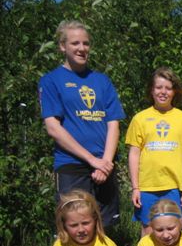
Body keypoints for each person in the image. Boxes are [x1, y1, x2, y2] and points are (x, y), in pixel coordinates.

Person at [39, 20, 125, 227]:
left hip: (104, 165)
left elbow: (113, 123)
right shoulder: (51, 81)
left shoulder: (102, 81)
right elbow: (53, 128)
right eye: (75, 43)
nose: (81, 48)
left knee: (105, 225)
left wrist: (105, 163)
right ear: (62, 46)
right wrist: (91, 160)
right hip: (72, 165)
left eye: (86, 43)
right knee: (75, 224)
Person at [126, 67, 182, 236]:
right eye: (159, 87)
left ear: (174, 92)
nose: (163, 92)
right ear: (152, 90)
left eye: (168, 88)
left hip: (174, 186)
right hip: (147, 185)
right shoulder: (140, 118)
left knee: (172, 229)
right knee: (148, 228)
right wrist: (135, 188)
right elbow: (134, 154)